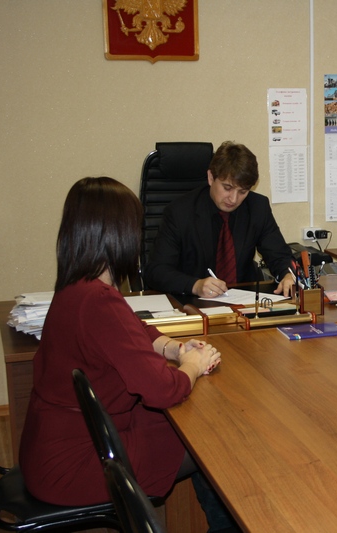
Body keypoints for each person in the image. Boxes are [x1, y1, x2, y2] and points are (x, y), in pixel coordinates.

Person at [19, 177, 233, 529]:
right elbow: (163, 390)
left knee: (193, 424)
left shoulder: (78, 287)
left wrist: (172, 347)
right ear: (119, 235)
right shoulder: (98, 300)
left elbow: (129, 329)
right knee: (212, 438)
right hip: (79, 462)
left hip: (55, 448)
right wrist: (193, 363)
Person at [143, 141, 296, 297]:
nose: (234, 199)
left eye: (243, 191)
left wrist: (287, 274)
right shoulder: (179, 212)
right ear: (210, 177)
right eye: (227, 188)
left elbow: (280, 255)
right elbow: (156, 271)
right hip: (193, 303)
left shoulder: (258, 207)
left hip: (245, 301)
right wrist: (194, 285)